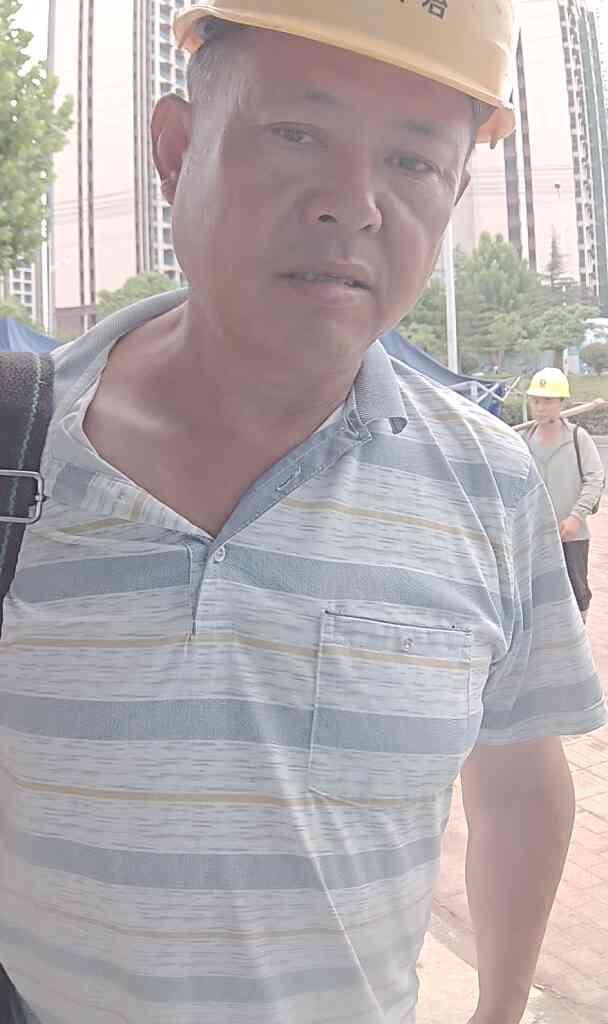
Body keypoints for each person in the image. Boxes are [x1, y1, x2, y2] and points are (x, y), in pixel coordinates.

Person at [0, 4, 606, 1024]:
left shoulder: (490, 485)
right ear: (176, 150)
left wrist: (500, 1009)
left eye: (413, 162)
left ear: (454, 196)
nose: (352, 205)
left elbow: (516, 781)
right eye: (296, 133)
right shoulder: (16, 445)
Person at [523, 368, 605, 622]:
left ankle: (578, 636)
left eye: (548, 401)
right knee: (534, 592)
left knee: (577, 592)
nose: (540, 408)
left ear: (561, 403)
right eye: (536, 401)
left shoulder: (578, 439)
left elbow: (595, 479)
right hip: (533, 535)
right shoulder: (522, 441)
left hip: (571, 535)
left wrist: (576, 517)